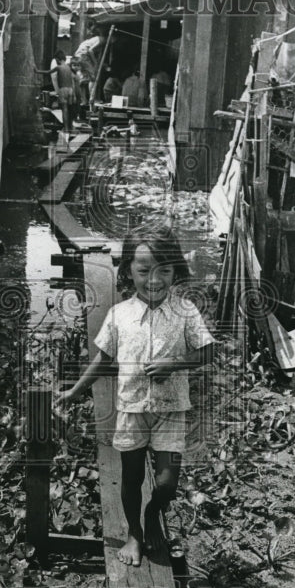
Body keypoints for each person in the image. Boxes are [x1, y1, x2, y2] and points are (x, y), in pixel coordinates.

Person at [54, 227, 214, 567]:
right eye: (144, 271)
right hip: (131, 409)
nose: (154, 280)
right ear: (128, 271)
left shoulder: (185, 311)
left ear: (175, 271)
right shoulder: (119, 314)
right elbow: (102, 359)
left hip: (172, 410)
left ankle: (154, 511)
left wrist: (175, 363)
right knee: (131, 477)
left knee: (168, 482)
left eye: (164, 270)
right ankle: (134, 535)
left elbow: (207, 352)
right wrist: (73, 391)